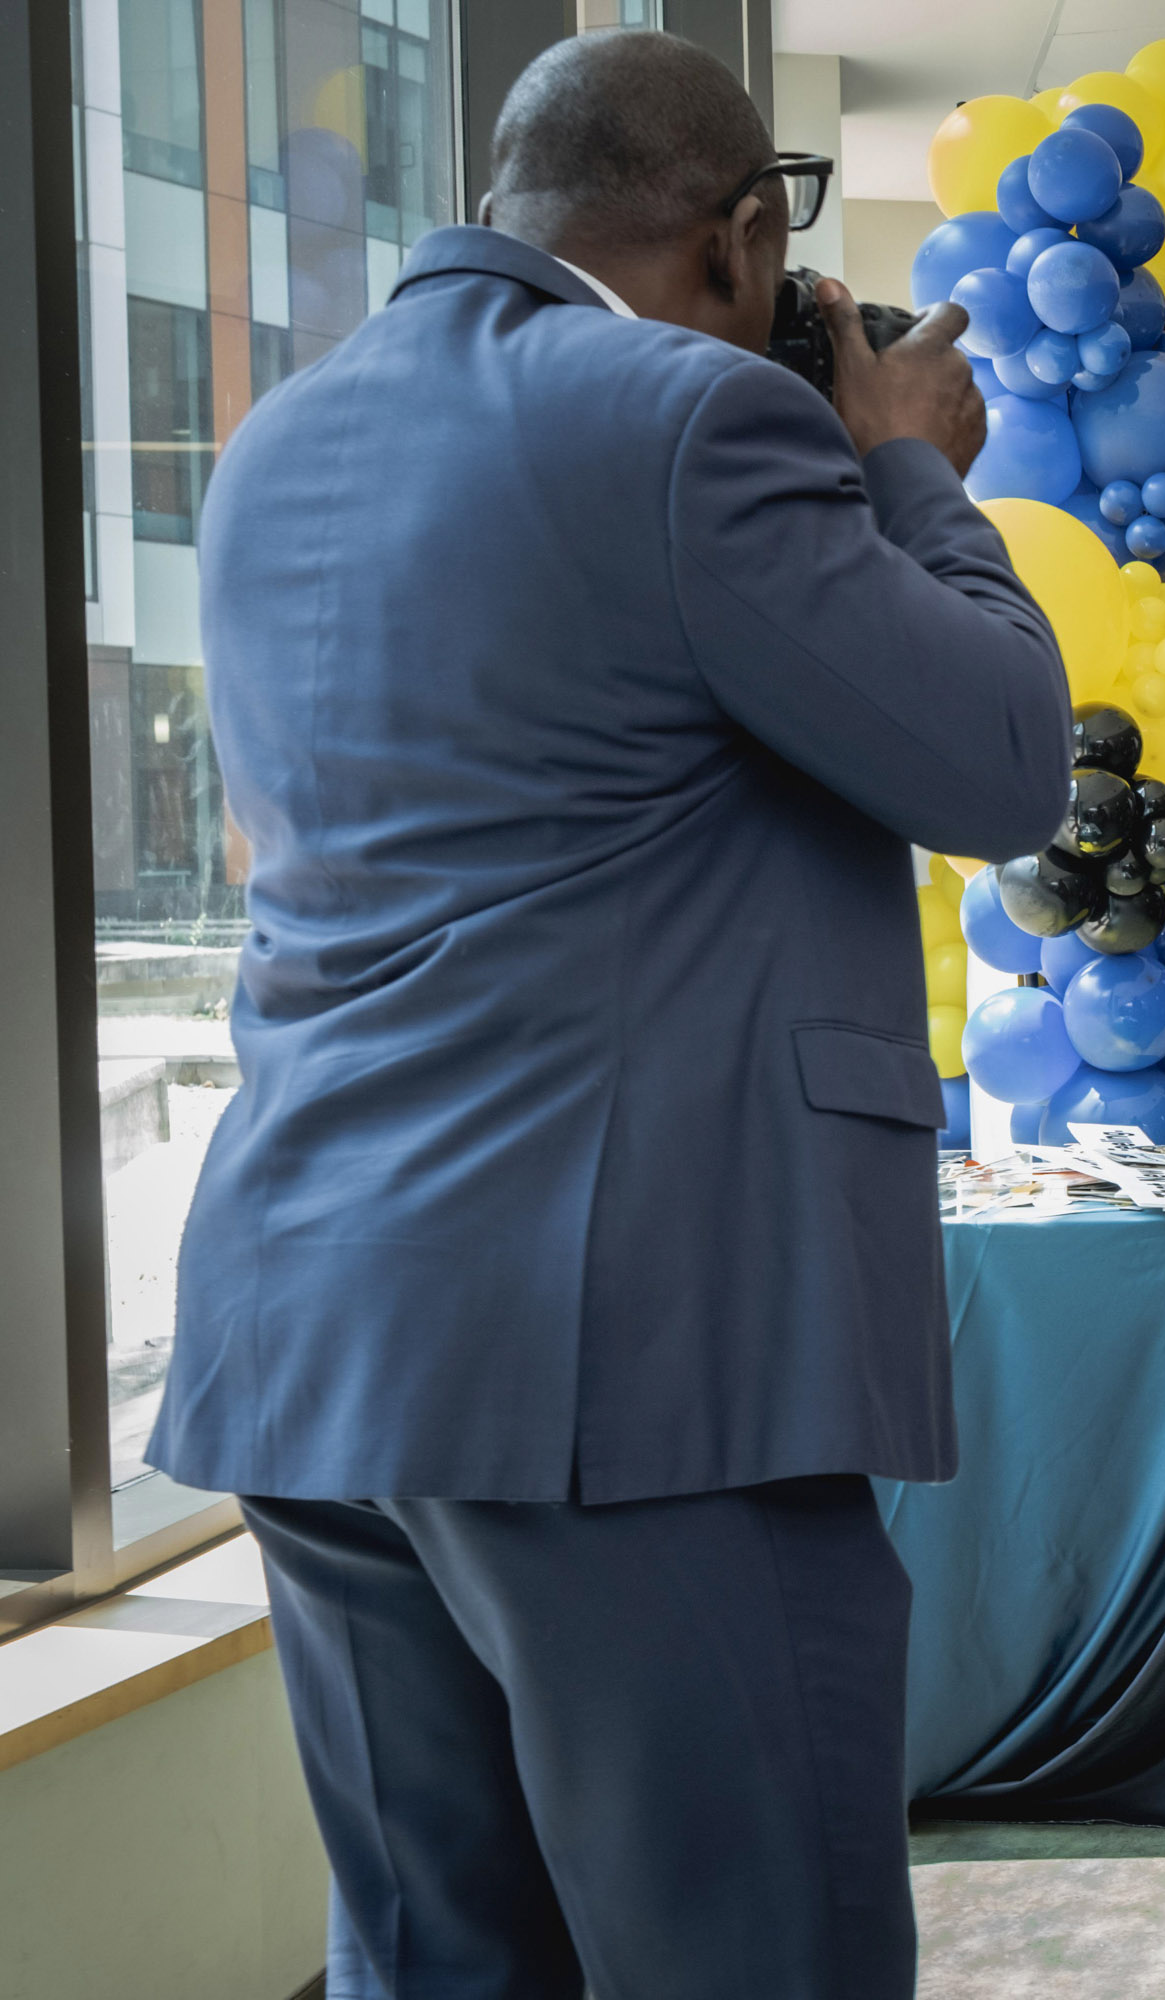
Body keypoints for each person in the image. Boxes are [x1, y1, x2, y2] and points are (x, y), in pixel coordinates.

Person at [144, 34, 1070, 1997]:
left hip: (323, 1355)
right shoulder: (683, 425)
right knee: (757, 1959)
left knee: (443, 1963)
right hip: (632, 1368)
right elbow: (1000, 764)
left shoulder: (272, 452)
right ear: (744, 239)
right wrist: (899, 454)